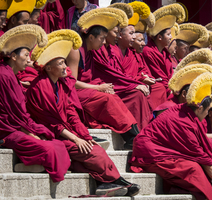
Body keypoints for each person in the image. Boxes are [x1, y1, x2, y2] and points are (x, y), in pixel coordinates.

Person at [27, 29, 141, 197]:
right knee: (93, 152)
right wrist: (75, 138)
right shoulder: (40, 88)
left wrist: (84, 135)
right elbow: (51, 123)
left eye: (64, 62)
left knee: (91, 147)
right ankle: (114, 181)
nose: (66, 67)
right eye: (61, 64)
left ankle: (107, 182)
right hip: (52, 134)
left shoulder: (60, 84)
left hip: (66, 132)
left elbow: (71, 113)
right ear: (49, 68)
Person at [130, 73, 212, 200]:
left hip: (164, 146)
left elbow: (200, 143)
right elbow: (200, 155)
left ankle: (183, 187)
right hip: (150, 151)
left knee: (211, 146)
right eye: (207, 110)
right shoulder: (182, 120)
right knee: (193, 168)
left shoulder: (186, 110)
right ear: (200, 108)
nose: (208, 114)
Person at [0, 24, 70, 183]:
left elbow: (19, 113)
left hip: (18, 125)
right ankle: (28, 164)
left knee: (56, 143)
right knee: (49, 148)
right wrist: (31, 134)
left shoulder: (11, 75)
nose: (29, 59)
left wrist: (35, 131)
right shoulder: (3, 75)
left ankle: (36, 163)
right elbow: (12, 116)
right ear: (13, 56)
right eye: (25, 54)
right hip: (6, 130)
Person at [65, 12, 139, 150]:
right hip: (74, 93)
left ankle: (133, 134)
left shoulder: (89, 50)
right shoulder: (76, 51)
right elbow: (72, 83)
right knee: (107, 100)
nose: (104, 42)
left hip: (85, 89)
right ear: (91, 37)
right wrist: (98, 88)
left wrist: (101, 87)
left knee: (113, 96)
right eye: (102, 38)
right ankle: (131, 136)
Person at [79, 7, 153, 131]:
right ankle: (136, 134)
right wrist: (134, 84)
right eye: (116, 32)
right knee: (136, 95)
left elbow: (116, 73)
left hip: (109, 85)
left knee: (141, 93)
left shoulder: (110, 50)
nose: (118, 36)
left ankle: (142, 132)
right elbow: (108, 74)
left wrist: (137, 81)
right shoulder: (95, 50)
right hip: (100, 86)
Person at [111, 2, 167, 110]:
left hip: (134, 82)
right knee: (138, 94)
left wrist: (146, 77)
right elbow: (117, 76)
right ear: (120, 35)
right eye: (131, 34)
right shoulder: (113, 51)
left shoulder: (132, 52)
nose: (133, 37)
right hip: (122, 87)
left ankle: (155, 118)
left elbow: (143, 69)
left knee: (159, 88)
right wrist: (139, 79)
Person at [143, 3, 186, 95]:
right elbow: (159, 76)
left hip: (168, 86)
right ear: (159, 37)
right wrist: (171, 89)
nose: (171, 37)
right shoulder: (148, 51)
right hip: (158, 88)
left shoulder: (165, 53)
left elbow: (170, 75)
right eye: (168, 34)